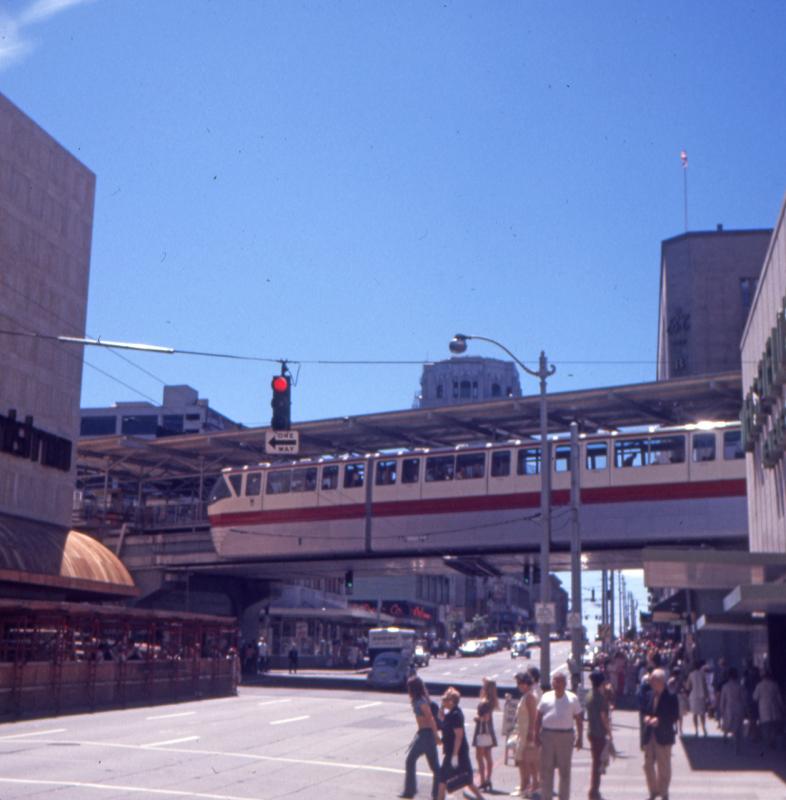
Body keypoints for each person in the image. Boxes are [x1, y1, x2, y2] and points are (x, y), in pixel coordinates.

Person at [535, 672, 583, 800]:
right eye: (555, 681)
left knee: (564, 770)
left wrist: (580, 738)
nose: (556, 684)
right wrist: (536, 735)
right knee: (546, 770)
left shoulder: (572, 698)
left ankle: (564, 797)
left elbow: (579, 718)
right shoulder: (546, 697)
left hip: (565, 736)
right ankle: (546, 797)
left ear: (565, 683)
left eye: (559, 681)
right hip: (547, 735)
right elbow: (538, 716)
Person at [436, 687, 484, 800]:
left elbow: (459, 736)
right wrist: (442, 708)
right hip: (452, 751)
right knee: (463, 779)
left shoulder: (455, 715)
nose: (443, 702)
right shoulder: (451, 714)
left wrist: (455, 755)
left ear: (451, 701)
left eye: (445, 700)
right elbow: (442, 720)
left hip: (457, 752)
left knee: (450, 778)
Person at [641, 668, 679, 800]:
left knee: (664, 766)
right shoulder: (649, 694)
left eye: (653, 680)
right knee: (647, 765)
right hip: (650, 735)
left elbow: (674, 716)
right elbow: (646, 710)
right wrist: (646, 717)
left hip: (664, 735)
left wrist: (660, 720)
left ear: (661, 681)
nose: (650, 682)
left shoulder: (671, 697)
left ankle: (664, 792)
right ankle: (653, 790)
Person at [401, 676, 440, 800]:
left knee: (410, 760)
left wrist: (436, 736)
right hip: (424, 734)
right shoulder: (419, 700)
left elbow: (430, 718)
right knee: (435, 768)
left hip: (425, 735)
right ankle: (437, 794)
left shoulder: (421, 702)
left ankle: (410, 790)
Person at [586, 670, 613, 800]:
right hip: (599, 733)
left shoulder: (590, 695)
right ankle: (594, 791)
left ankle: (594, 790)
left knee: (596, 762)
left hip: (591, 731)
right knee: (598, 764)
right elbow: (604, 717)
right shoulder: (600, 698)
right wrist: (609, 732)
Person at [511, 672, 538, 799]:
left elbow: (533, 716)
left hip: (527, 734)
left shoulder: (530, 697)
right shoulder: (526, 696)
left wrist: (531, 733)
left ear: (526, 684)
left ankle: (527, 786)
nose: (518, 686)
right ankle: (525, 786)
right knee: (521, 761)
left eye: (520, 683)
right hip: (522, 733)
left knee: (526, 762)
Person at [473, 678, 499, 792]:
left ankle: (483, 780)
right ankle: (488, 779)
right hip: (489, 730)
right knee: (488, 756)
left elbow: (485, 717)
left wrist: (477, 718)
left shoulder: (484, 703)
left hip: (482, 730)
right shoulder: (491, 701)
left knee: (479, 757)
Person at [753, 669, 784, 750]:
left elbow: (755, 697)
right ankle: (772, 741)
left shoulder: (759, 685)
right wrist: (782, 707)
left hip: (763, 708)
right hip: (774, 707)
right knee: (773, 726)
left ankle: (768, 742)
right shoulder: (775, 685)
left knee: (765, 726)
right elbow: (779, 698)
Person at [719, 667, 745, 753]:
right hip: (739, 707)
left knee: (728, 724)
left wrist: (721, 709)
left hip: (729, 708)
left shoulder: (725, 687)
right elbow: (743, 699)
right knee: (738, 727)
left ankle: (725, 736)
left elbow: (723, 700)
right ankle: (737, 746)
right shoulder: (739, 686)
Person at [687, 660, 707, 736]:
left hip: (693, 696)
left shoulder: (691, 675)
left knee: (694, 714)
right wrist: (707, 696)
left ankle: (696, 730)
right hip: (701, 695)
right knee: (702, 714)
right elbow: (705, 686)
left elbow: (688, 686)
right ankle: (704, 728)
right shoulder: (702, 674)